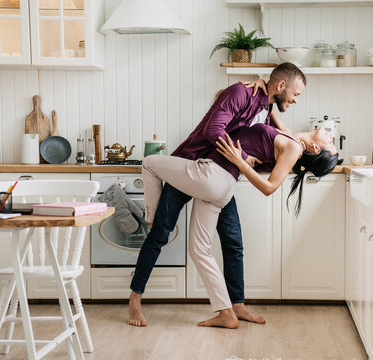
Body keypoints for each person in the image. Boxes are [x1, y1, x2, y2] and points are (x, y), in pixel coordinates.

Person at [129, 63, 307, 328]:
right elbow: (214, 129)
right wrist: (244, 157)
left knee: (232, 241)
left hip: (221, 177)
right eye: (296, 93)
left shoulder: (265, 109)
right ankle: (135, 299)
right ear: (281, 86)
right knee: (159, 234)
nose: (296, 100)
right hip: (194, 164)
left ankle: (235, 307)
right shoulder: (241, 92)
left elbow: (285, 137)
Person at [142, 119, 338, 328]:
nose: (331, 136)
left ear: (316, 148)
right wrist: (261, 88)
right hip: (220, 182)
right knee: (199, 249)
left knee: (149, 163)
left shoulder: (294, 148)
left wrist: (240, 160)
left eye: (330, 142)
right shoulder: (292, 138)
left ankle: (152, 220)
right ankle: (227, 312)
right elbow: (273, 106)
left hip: (215, 175)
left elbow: (269, 187)